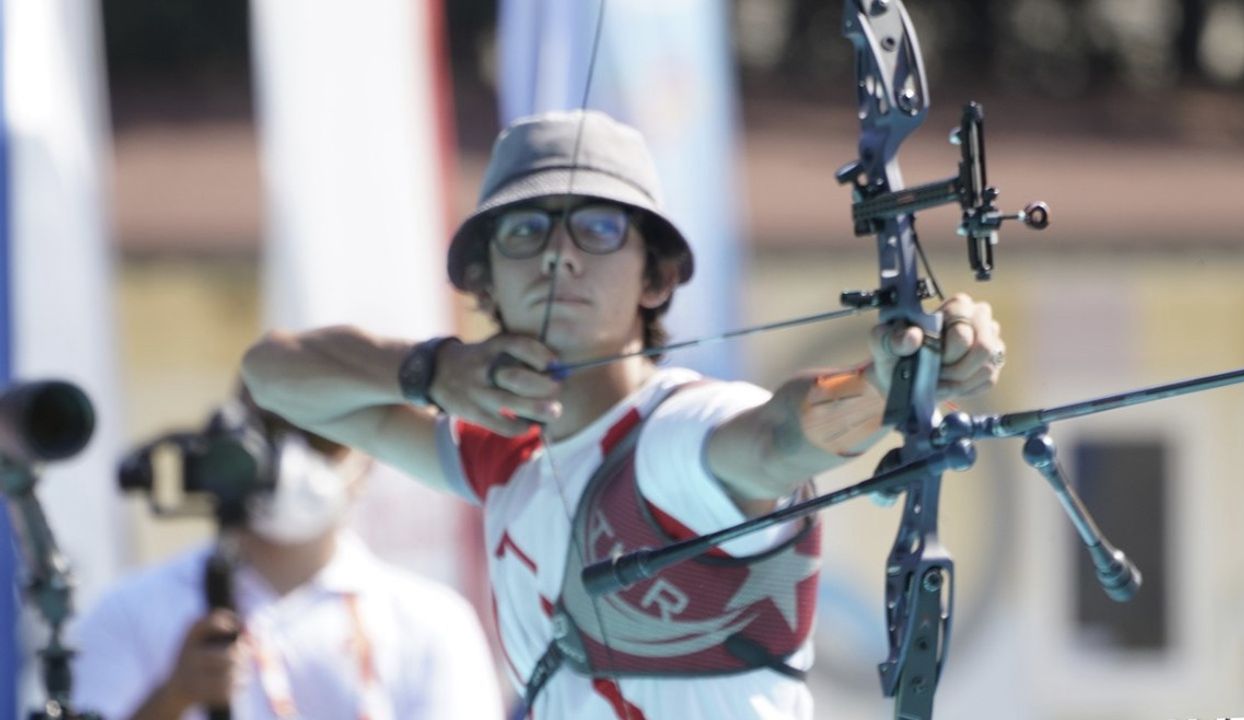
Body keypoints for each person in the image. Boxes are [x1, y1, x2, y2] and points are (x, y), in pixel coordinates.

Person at [240, 109, 1007, 719]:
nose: (558, 255)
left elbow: (777, 438)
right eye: (525, 229)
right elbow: (273, 377)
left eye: (598, 228)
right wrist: (430, 371)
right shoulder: (502, 456)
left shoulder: (676, 437)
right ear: (486, 279)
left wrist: (901, 380)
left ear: (656, 277)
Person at [70, 399, 504, 720]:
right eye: (271, 431)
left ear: (368, 461)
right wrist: (174, 698)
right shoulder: (127, 610)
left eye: (323, 438)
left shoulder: (433, 621)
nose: (294, 460)